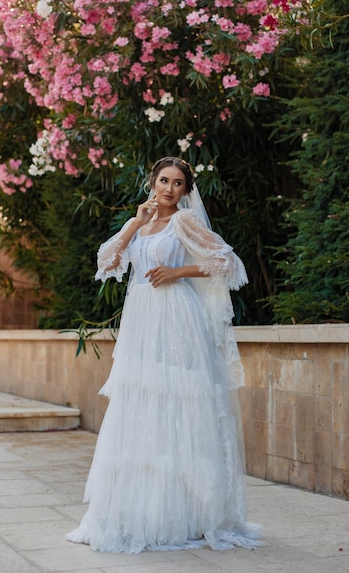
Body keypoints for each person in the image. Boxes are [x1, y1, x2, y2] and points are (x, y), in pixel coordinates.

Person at [66, 156, 263, 553]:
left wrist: (178, 272)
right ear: (151, 183)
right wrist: (134, 223)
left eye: (177, 183)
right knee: (140, 402)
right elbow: (108, 262)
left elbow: (227, 261)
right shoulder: (139, 224)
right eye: (163, 180)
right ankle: (140, 508)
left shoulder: (184, 222)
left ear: (186, 191)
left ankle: (187, 512)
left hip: (177, 317)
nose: (169, 189)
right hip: (141, 321)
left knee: (179, 401)